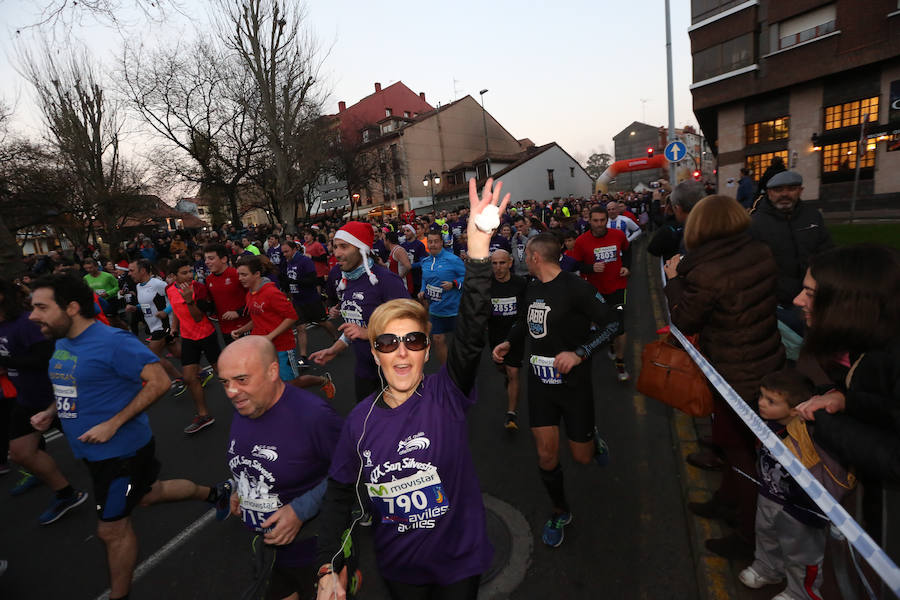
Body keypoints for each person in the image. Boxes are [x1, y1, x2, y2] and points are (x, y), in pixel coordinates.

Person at [314, 178, 509, 600]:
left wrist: (476, 253)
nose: (401, 353)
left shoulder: (448, 394)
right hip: (401, 567)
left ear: (426, 351)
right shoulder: (358, 422)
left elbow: (473, 331)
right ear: (376, 352)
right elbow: (337, 497)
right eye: (387, 342)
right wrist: (329, 566)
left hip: (459, 560)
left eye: (414, 341)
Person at [28, 274, 231, 600]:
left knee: (111, 530)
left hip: (120, 453)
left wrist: (114, 423)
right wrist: (52, 410)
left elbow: (159, 382)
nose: (32, 315)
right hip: (93, 454)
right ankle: (217, 494)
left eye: (41, 307)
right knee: (149, 494)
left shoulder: (113, 342)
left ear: (72, 307)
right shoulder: (64, 342)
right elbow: (79, 382)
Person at [664, 195, 785, 559]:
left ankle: (747, 535)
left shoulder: (707, 271)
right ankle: (727, 501)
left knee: (740, 453)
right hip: (765, 360)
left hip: (734, 375)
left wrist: (673, 280)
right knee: (740, 448)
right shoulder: (759, 252)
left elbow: (683, 322)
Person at [492, 232, 618, 548]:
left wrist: (580, 353)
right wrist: (509, 341)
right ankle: (560, 511)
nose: (523, 260)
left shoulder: (577, 288)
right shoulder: (532, 288)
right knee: (546, 454)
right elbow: (524, 321)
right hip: (541, 386)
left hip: (574, 387)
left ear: (535, 257)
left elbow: (615, 323)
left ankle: (592, 436)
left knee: (582, 457)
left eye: (526, 256)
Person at [793, 244, 900, 558]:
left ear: (849, 304)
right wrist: (847, 401)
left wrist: (826, 422)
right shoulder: (878, 340)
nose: (798, 301)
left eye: (811, 294)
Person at [219, 336, 344, 600]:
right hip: (265, 547)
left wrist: (301, 510)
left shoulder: (314, 416)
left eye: (242, 379)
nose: (231, 392)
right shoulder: (246, 404)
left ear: (273, 371)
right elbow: (252, 458)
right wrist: (240, 488)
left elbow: (354, 470)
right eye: (225, 382)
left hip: (314, 546)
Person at [738, 369, 854, 600]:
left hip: (802, 507)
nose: (761, 403)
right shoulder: (768, 422)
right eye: (761, 396)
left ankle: (801, 592)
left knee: (802, 553)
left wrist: (831, 506)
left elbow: (839, 472)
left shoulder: (815, 434)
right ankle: (768, 569)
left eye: (771, 401)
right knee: (766, 533)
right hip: (770, 494)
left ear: (795, 408)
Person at [0, 279, 87, 525]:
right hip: (26, 399)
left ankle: (134, 480)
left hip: (56, 396)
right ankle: (66, 494)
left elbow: (46, 358)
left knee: (93, 448)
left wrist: (7, 364)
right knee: (19, 453)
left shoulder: (25, 323)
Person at [311, 222, 409, 403]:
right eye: (335, 246)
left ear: (362, 249)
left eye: (344, 246)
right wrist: (335, 348)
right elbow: (356, 326)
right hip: (365, 370)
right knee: (367, 424)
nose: (337, 253)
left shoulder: (385, 280)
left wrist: (369, 333)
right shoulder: (345, 279)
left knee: (401, 428)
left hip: (396, 371)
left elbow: (414, 326)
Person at [749, 171, 833, 360]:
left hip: (813, 299)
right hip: (777, 304)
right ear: (769, 193)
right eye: (778, 190)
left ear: (801, 190)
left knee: (816, 349)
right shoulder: (755, 222)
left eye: (791, 189)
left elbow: (827, 252)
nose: (785, 194)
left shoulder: (813, 216)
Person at [570, 205, 632, 382]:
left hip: (618, 288)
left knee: (620, 327)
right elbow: (576, 265)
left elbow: (627, 250)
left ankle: (620, 363)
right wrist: (590, 268)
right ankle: (611, 344)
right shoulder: (581, 241)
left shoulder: (618, 235)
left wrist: (627, 266)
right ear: (589, 220)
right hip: (596, 292)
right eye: (595, 221)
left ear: (607, 220)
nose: (599, 224)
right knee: (605, 326)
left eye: (602, 220)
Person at [165, 258, 218, 434]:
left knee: (224, 375)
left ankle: (248, 403)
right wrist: (173, 329)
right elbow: (174, 310)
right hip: (188, 338)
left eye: (190, 271)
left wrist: (189, 300)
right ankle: (204, 415)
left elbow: (197, 317)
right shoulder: (169, 289)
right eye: (184, 273)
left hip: (206, 335)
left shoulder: (199, 288)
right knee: (189, 378)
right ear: (174, 276)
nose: (190, 275)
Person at [232, 256, 299, 383]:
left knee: (291, 384)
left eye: (244, 275)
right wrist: (241, 330)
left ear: (257, 274)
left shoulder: (271, 293)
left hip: (282, 347)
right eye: (239, 274)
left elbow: (292, 317)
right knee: (271, 384)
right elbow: (258, 318)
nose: (240, 278)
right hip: (263, 348)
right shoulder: (250, 294)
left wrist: (270, 336)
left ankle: (321, 381)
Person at [126, 259, 186, 395]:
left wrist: (166, 311)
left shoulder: (158, 284)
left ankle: (180, 378)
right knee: (177, 353)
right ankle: (199, 371)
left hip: (164, 325)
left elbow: (174, 298)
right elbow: (150, 304)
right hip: (154, 326)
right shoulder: (138, 286)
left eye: (132, 270)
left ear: (142, 271)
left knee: (151, 356)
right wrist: (136, 308)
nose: (129, 274)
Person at [281, 241, 338, 367]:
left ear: (294, 249)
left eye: (286, 251)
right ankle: (303, 358)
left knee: (322, 322)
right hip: (297, 300)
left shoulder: (304, 261)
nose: (284, 254)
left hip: (310, 299)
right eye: (283, 252)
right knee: (300, 328)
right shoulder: (288, 262)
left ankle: (336, 339)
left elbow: (312, 280)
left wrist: (295, 281)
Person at [488, 250, 527, 430]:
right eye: (494, 263)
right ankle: (506, 376)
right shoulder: (487, 284)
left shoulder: (521, 283)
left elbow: (524, 315)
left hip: (515, 334)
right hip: (495, 334)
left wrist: (512, 338)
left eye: (502, 263)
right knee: (501, 367)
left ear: (510, 263)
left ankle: (511, 414)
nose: (498, 267)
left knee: (513, 372)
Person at [418, 230, 467, 365]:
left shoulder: (453, 259)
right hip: (435, 310)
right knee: (438, 340)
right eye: (430, 242)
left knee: (460, 343)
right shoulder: (426, 261)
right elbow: (425, 279)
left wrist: (454, 284)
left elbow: (467, 278)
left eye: (436, 241)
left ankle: (463, 369)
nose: (433, 245)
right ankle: (445, 371)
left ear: (441, 243)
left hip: (455, 310)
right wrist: (422, 290)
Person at [204, 243, 252, 344]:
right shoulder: (208, 280)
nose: (207, 262)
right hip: (225, 329)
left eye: (211, 258)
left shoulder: (237, 274)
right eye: (206, 259)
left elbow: (255, 299)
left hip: (246, 327)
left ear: (224, 259)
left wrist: (238, 312)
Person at [647, 180, 703, 261]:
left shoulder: (672, 229)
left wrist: (656, 201)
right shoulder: (712, 222)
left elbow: (653, 249)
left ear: (677, 208)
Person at [384, 231, 415, 296]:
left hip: (403, 286)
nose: (384, 243)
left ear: (388, 240)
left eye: (384, 240)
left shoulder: (399, 250)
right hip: (397, 286)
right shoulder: (392, 251)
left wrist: (399, 278)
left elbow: (408, 266)